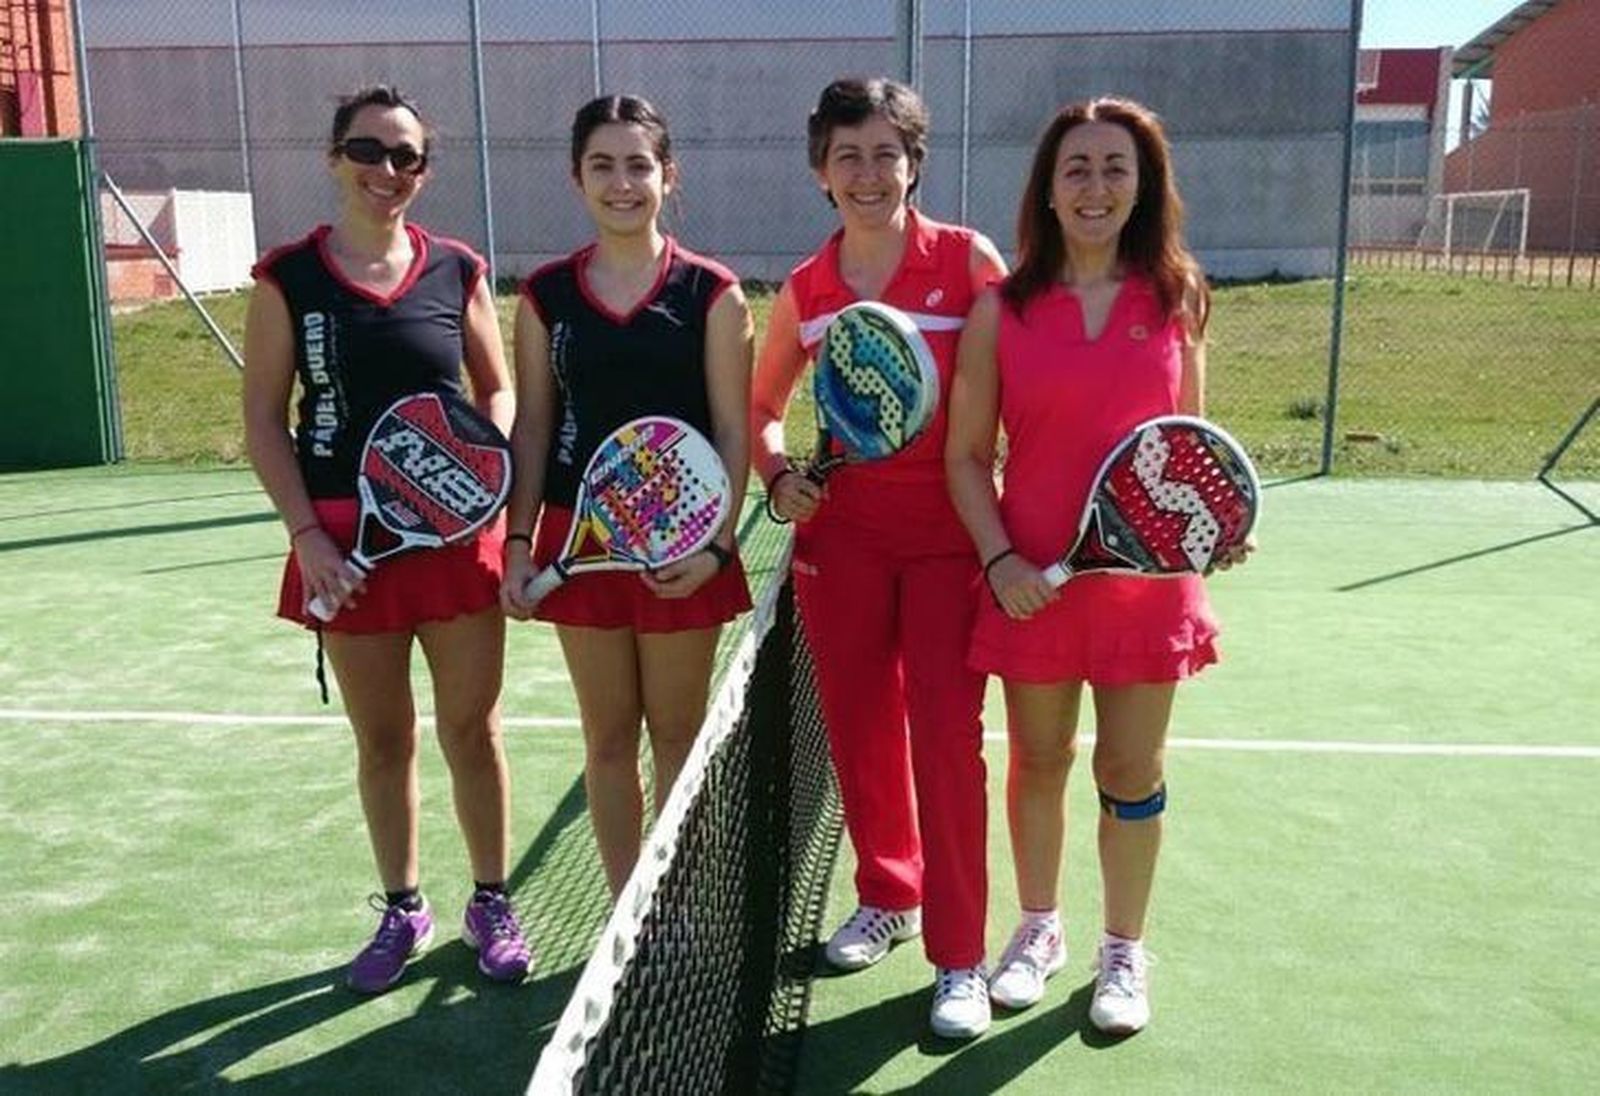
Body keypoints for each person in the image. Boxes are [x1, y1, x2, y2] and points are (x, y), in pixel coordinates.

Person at [946, 96, 1250, 1036]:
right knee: (1037, 761)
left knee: (1130, 767)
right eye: (1076, 168)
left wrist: (1214, 525)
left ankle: (1124, 950)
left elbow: (1189, 446)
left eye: (1115, 167)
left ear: (1144, 185)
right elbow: (965, 455)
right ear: (1047, 187)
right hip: (1032, 583)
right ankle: (1038, 931)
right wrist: (1000, 560)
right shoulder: (1000, 310)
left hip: (1145, 594)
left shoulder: (1178, 298)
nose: (1095, 186)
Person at [242, 86, 532, 994]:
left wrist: (482, 484)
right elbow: (262, 420)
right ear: (335, 157)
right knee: (383, 741)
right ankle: (404, 906)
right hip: (339, 545)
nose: (387, 171)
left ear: (423, 171)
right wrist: (305, 537)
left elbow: (499, 391)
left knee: (471, 731)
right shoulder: (288, 278)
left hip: (452, 541)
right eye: (369, 151)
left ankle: (491, 900)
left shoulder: (457, 269)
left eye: (407, 157)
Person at [750, 77, 1007, 1040]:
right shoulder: (809, 290)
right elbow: (762, 409)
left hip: (950, 545)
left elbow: (1017, 388)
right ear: (821, 171)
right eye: (846, 155)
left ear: (914, 163)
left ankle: (961, 956)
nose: (867, 173)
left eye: (884, 153)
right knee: (860, 734)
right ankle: (888, 894)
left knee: (945, 743)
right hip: (842, 547)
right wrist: (778, 479)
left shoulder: (967, 262)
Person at [500, 95, 754, 900]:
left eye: (638, 164)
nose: (622, 183)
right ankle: (624, 908)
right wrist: (516, 543)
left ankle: (675, 905)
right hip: (582, 542)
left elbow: (731, 430)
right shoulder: (546, 297)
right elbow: (533, 428)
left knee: (678, 737)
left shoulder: (712, 293)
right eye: (602, 166)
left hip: (684, 546)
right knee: (608, 739)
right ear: (576, 178)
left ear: (667, 176)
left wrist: (714, 546)